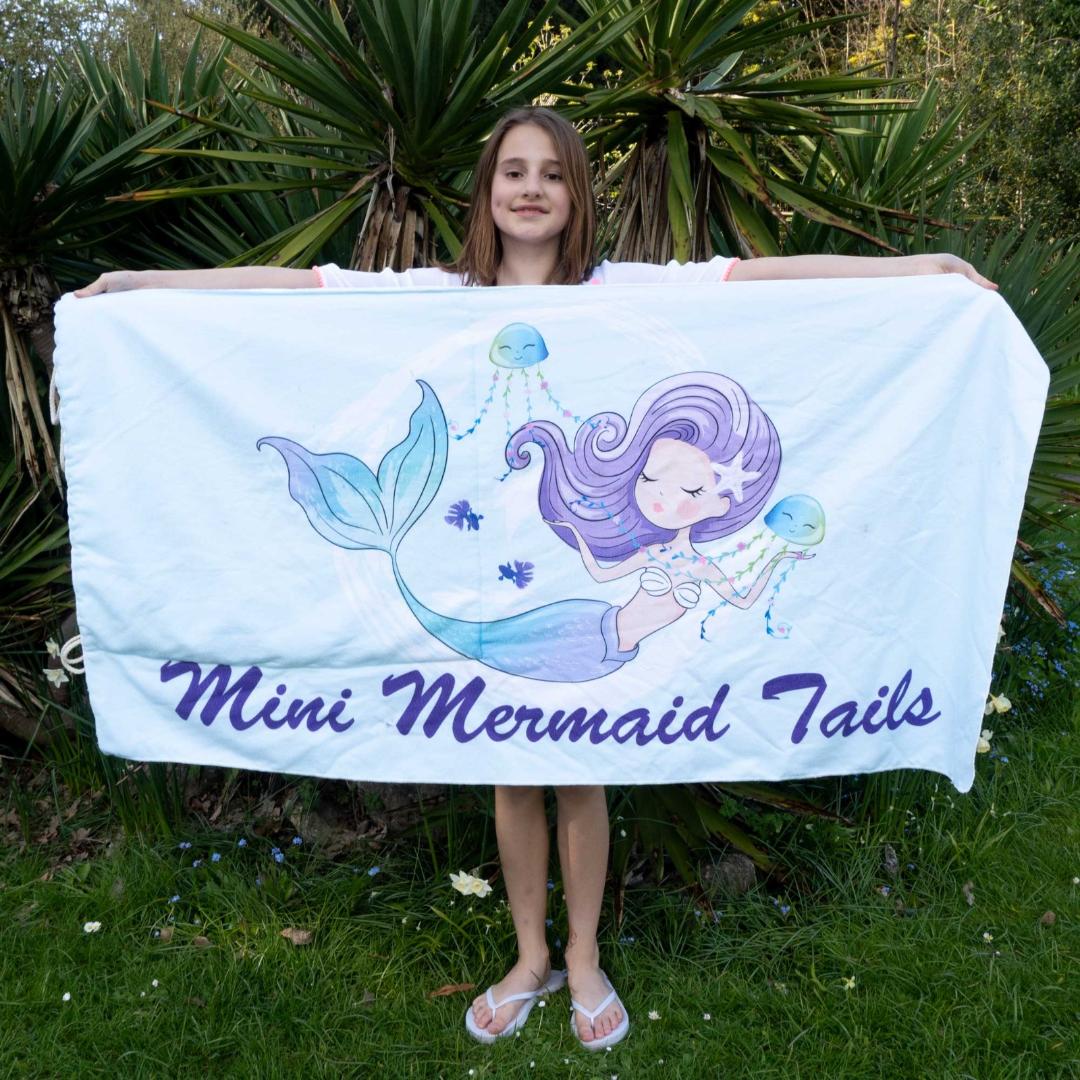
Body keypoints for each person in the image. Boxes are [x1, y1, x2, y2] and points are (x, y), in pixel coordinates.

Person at [75, 105, 997, 1050]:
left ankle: (586, 954)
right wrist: (145, 283)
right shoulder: (432, 295)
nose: (529, 188)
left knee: (584, 769)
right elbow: (296, 291)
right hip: (487, 600)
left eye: (551, 174)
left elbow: (757, 280)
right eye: (512, 171)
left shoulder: (624, 291)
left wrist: (914, 273)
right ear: (486, 192)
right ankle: (529, 957)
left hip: (584, 607)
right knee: (512, 775)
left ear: (575, 195)